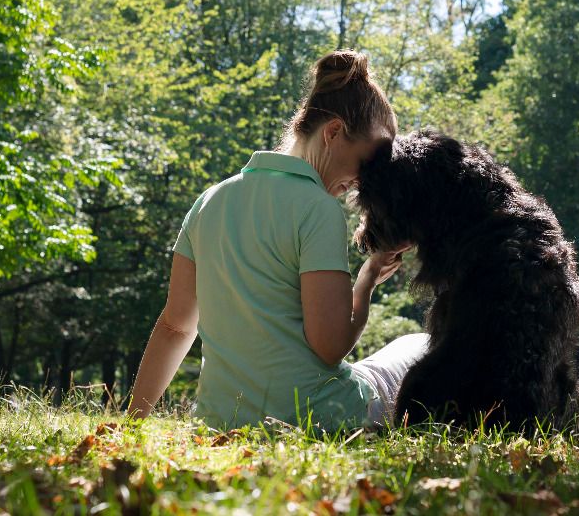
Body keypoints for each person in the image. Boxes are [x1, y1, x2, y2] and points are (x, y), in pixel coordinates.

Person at [127, 50, 429, 430]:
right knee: (419, 344)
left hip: (220, 422)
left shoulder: (209, 201)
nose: (362, 181)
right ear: (333, 132)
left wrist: (132, 425)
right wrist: (366, 282)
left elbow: (175, 327)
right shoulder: (318, 208)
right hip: (318, 418)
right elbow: (329, 346)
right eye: (365, 163)